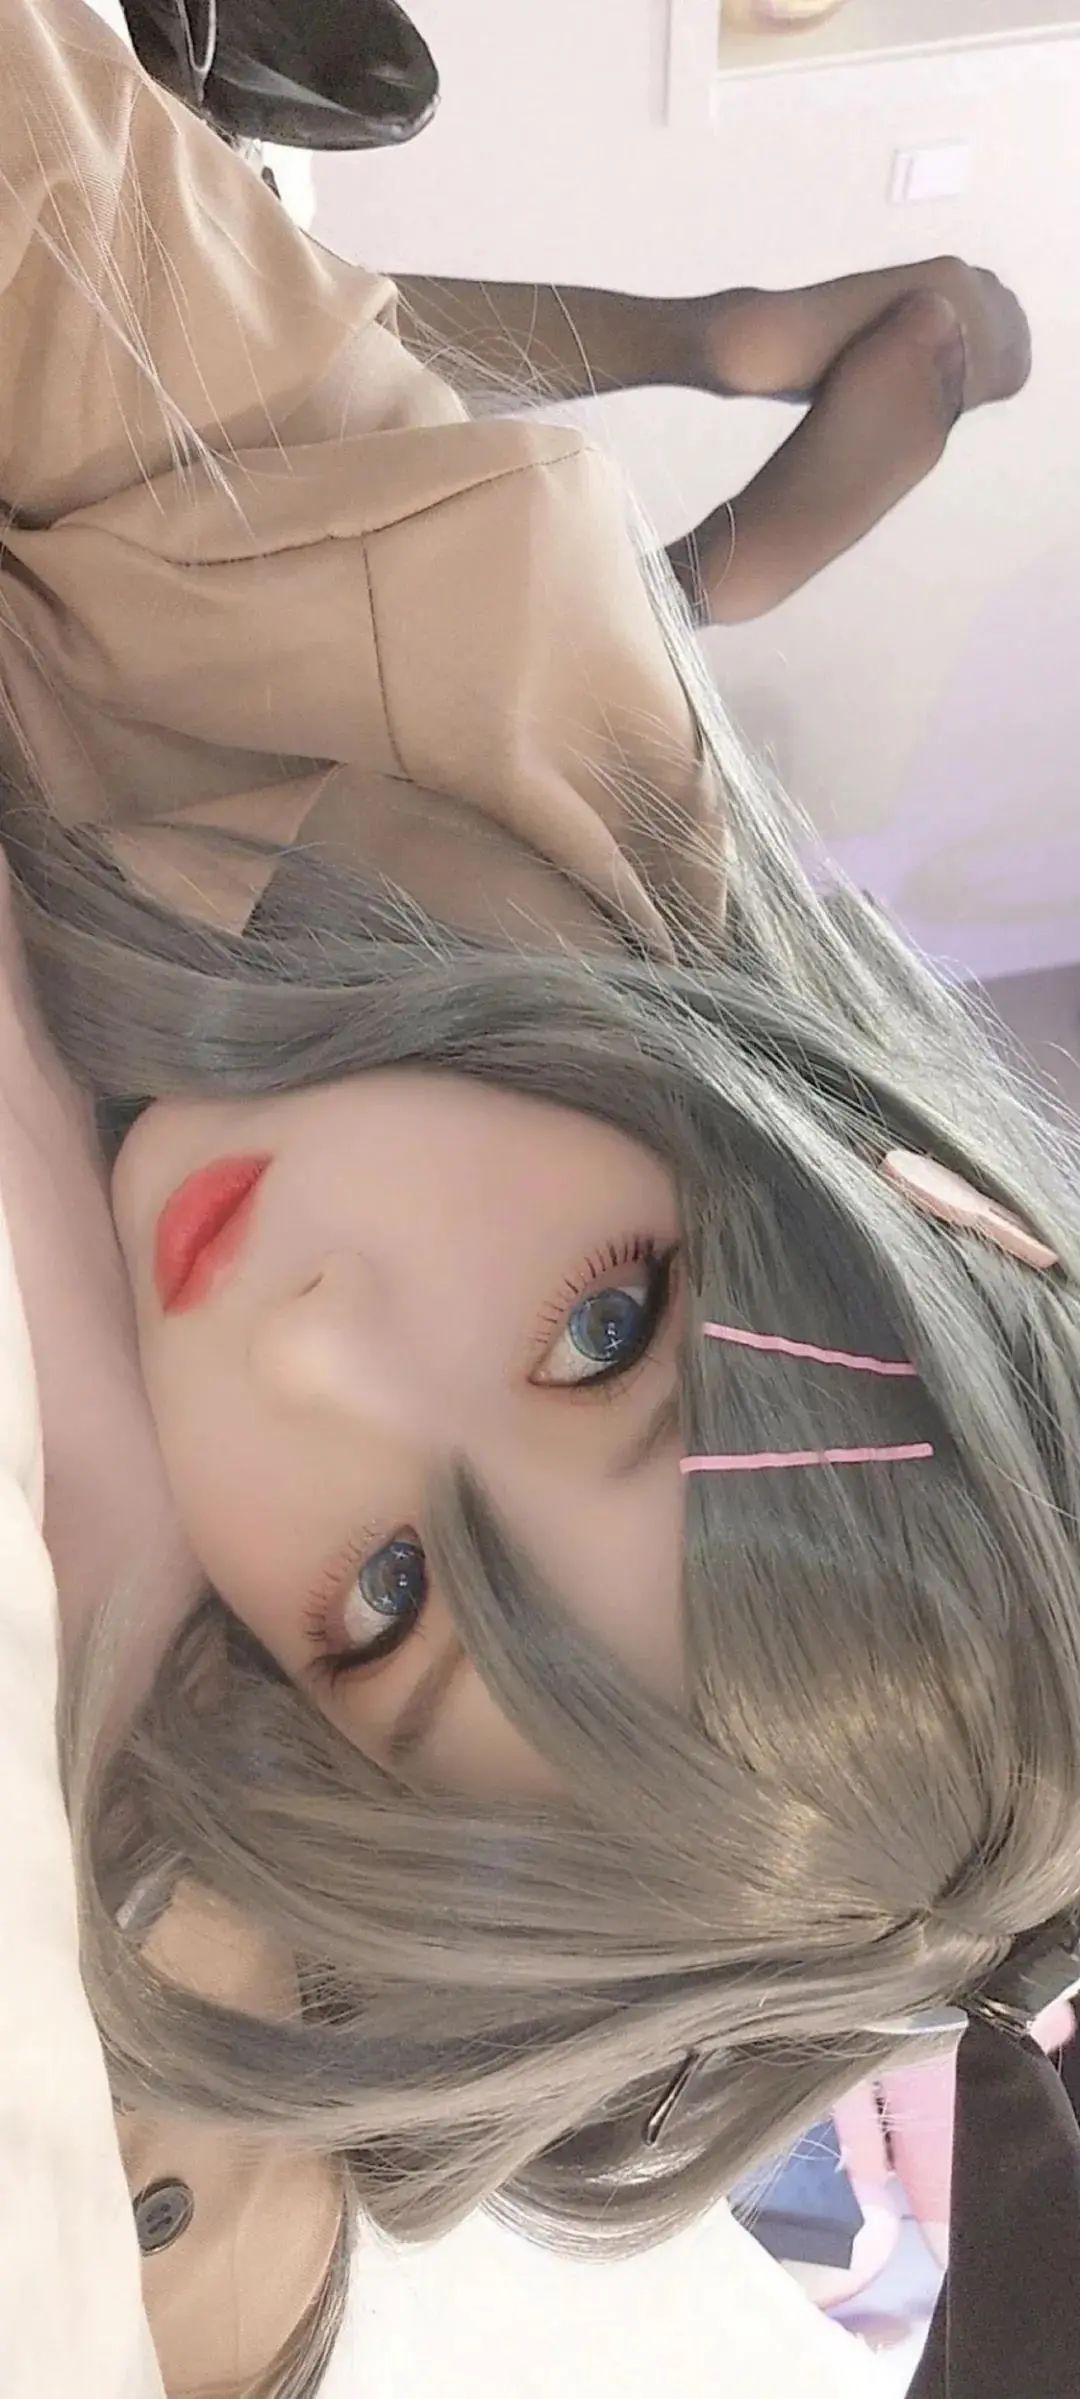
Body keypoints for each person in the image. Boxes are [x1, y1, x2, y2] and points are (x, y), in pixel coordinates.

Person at [0, 3, 1077, 2397]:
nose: (304, 1342)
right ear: (919, 1199)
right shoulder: (481, 648)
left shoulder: (241, 1878)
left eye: (384, 1598)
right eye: (603, 1328)